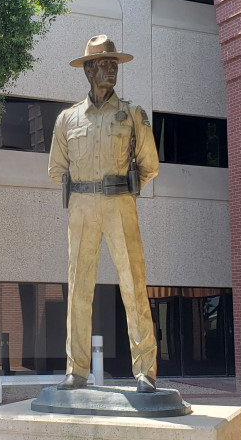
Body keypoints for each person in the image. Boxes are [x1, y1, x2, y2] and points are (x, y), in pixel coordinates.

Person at [48, 35, 160, 393]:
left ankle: (145, 371)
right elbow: (55, 168)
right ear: (89, 70)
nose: (111, 69)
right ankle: (76, 371)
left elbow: (149, 166)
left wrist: (120, 190)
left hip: (119, 204)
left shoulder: (132, 115)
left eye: (114, 64)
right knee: (79, 288)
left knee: (133, 286)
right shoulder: (67, 119)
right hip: (80, 208)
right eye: (104, 63)